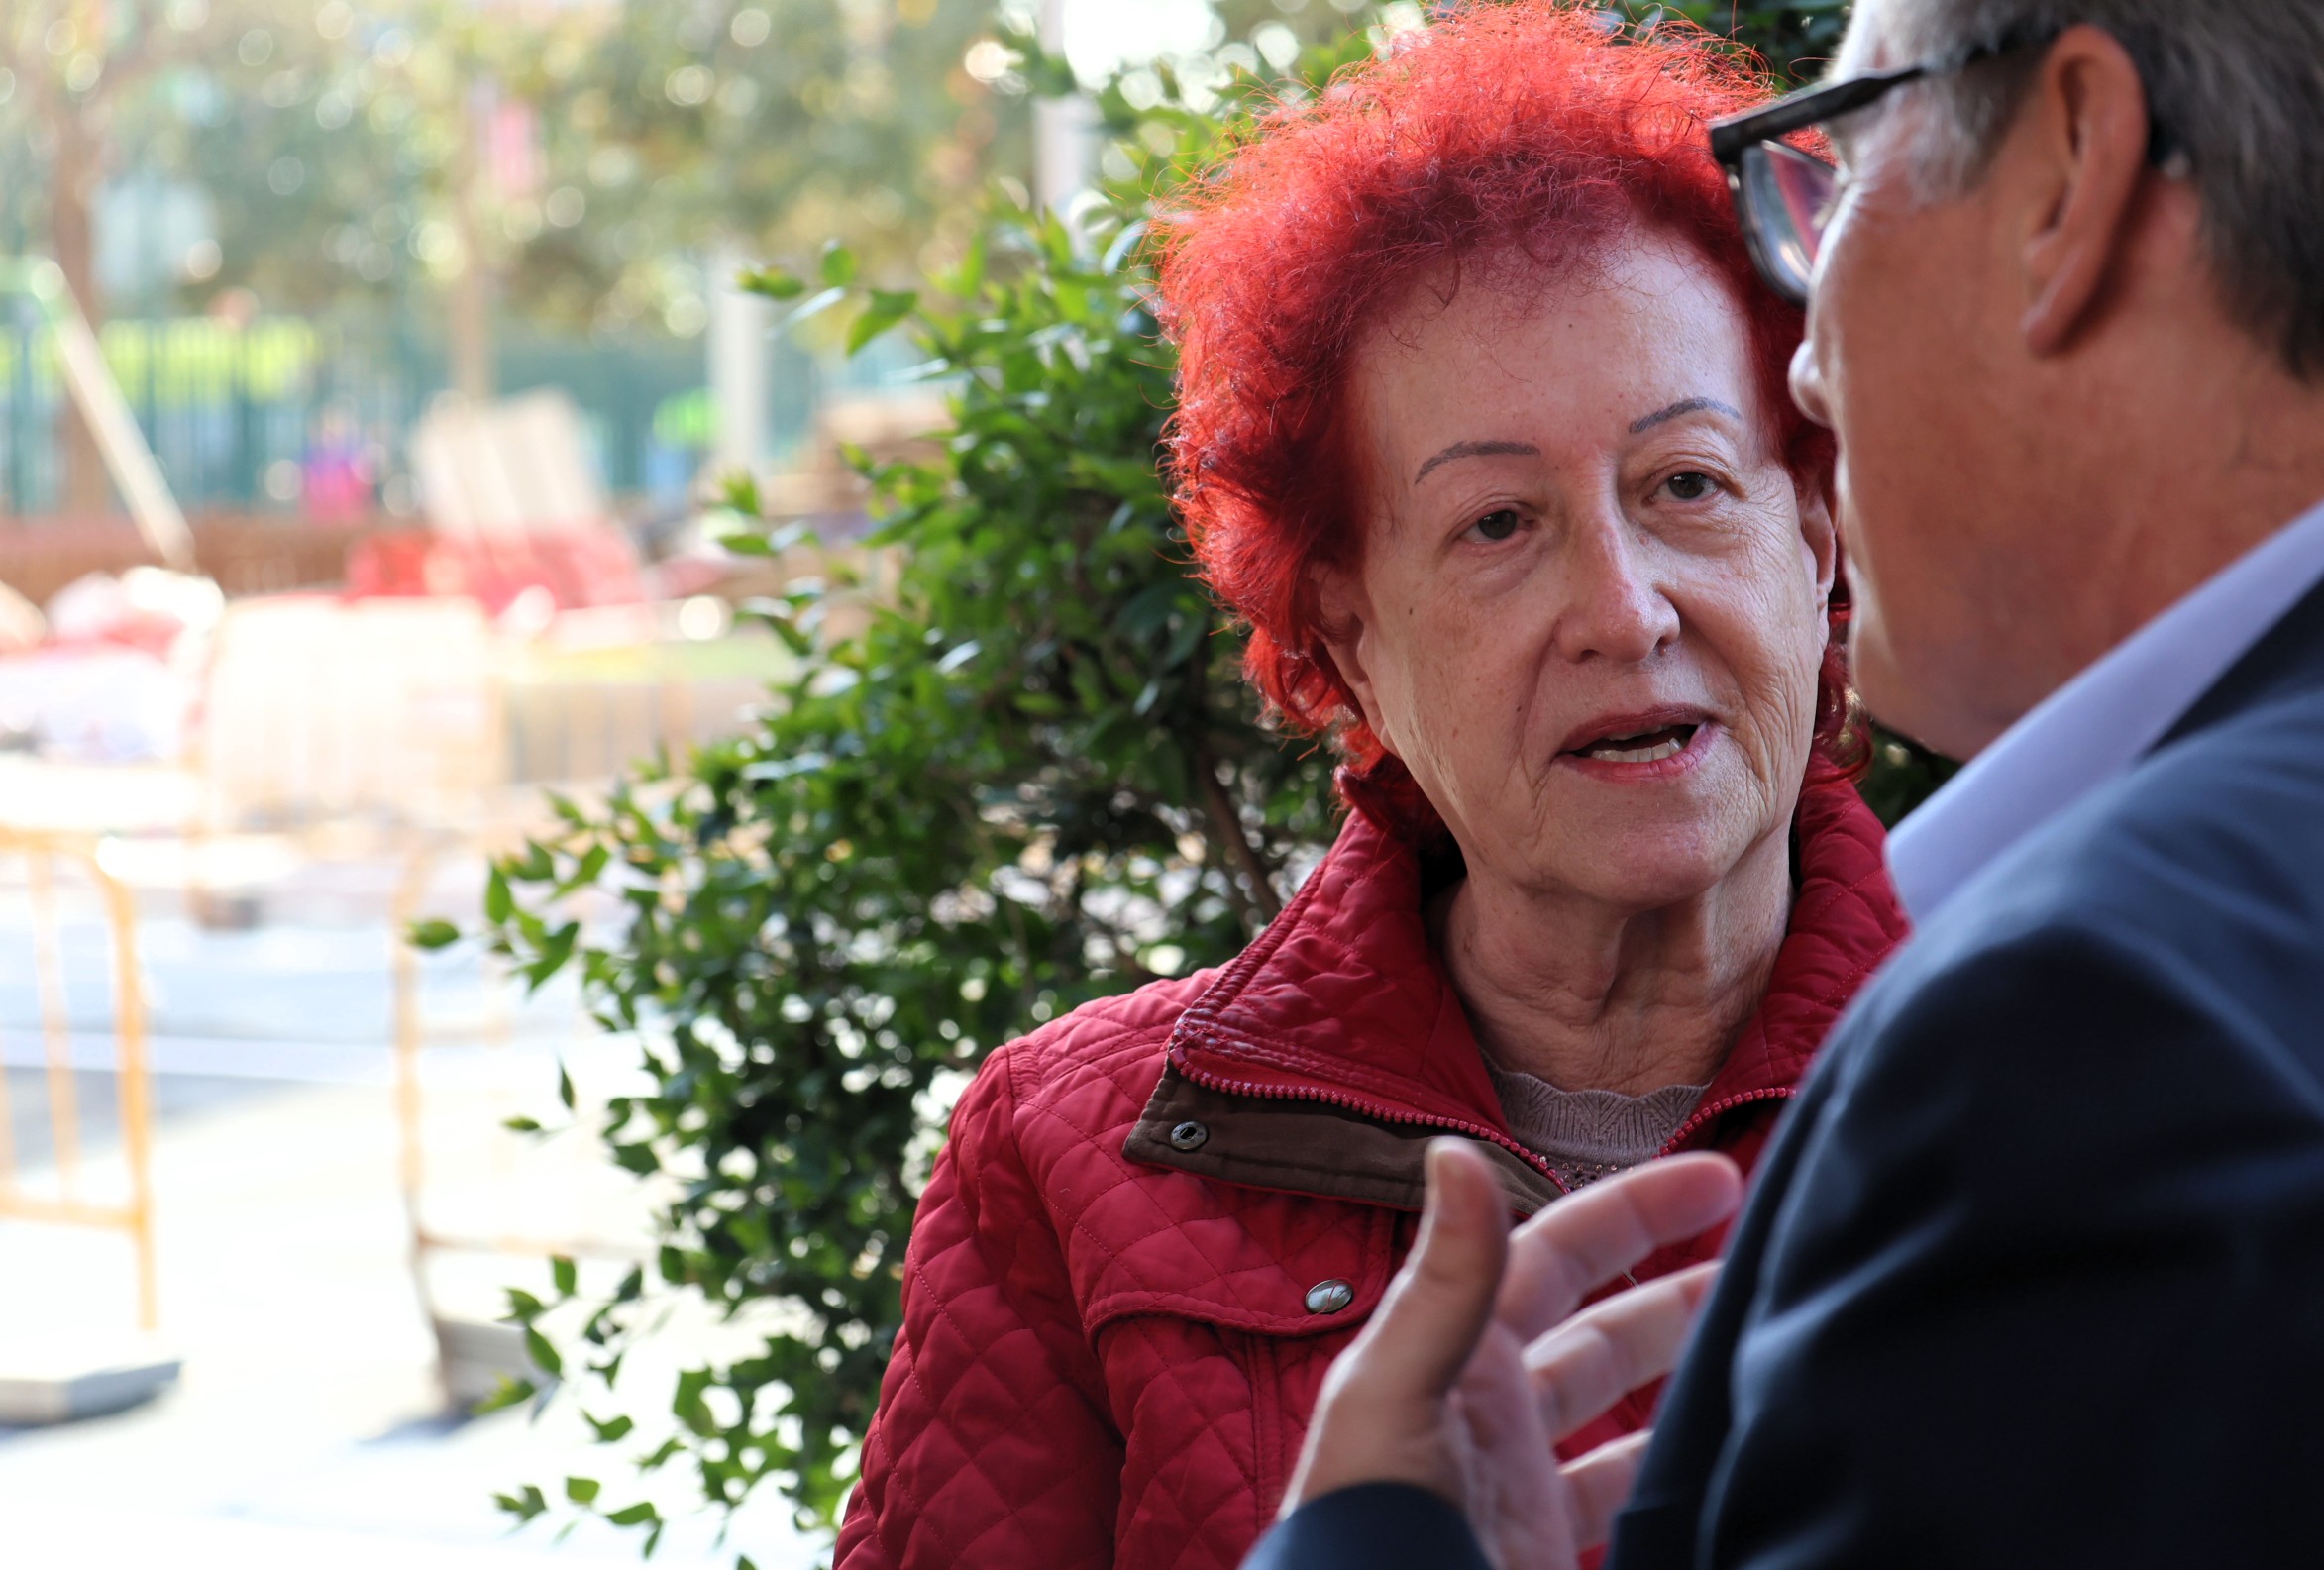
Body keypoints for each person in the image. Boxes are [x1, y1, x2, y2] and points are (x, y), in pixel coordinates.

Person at [831, 8, 1910, 1569]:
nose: (1622, 610)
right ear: (1344, 639)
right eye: (1496, 524)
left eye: (1686, 483)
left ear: (1811, 537)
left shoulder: (2050, 1073)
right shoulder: (1069, 1160)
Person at [1253, 0, 2324, 1566]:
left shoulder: (2090, 1011)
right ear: (1343, 638)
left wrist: (1364, 1540)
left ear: (2069, 163)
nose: (1809, 372)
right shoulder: (2163, 943)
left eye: (1839, 168)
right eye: (1497, 523)